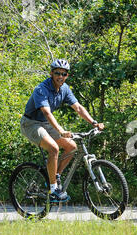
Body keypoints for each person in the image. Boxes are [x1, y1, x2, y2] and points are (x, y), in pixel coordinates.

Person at [20, 59, 104, 203]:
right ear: (51, 73)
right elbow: (46, 112)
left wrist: (94, 123)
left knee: (71, 147)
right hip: (31, 124)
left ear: (67, 75)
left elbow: (78, 108)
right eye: (57, 73)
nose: (61, 76)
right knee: (53, 149)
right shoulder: (41, 89)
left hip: (45, 124)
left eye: (64, 74)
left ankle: (54, 177)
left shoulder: (65, 89)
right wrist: (60, 130)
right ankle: (53, 190)